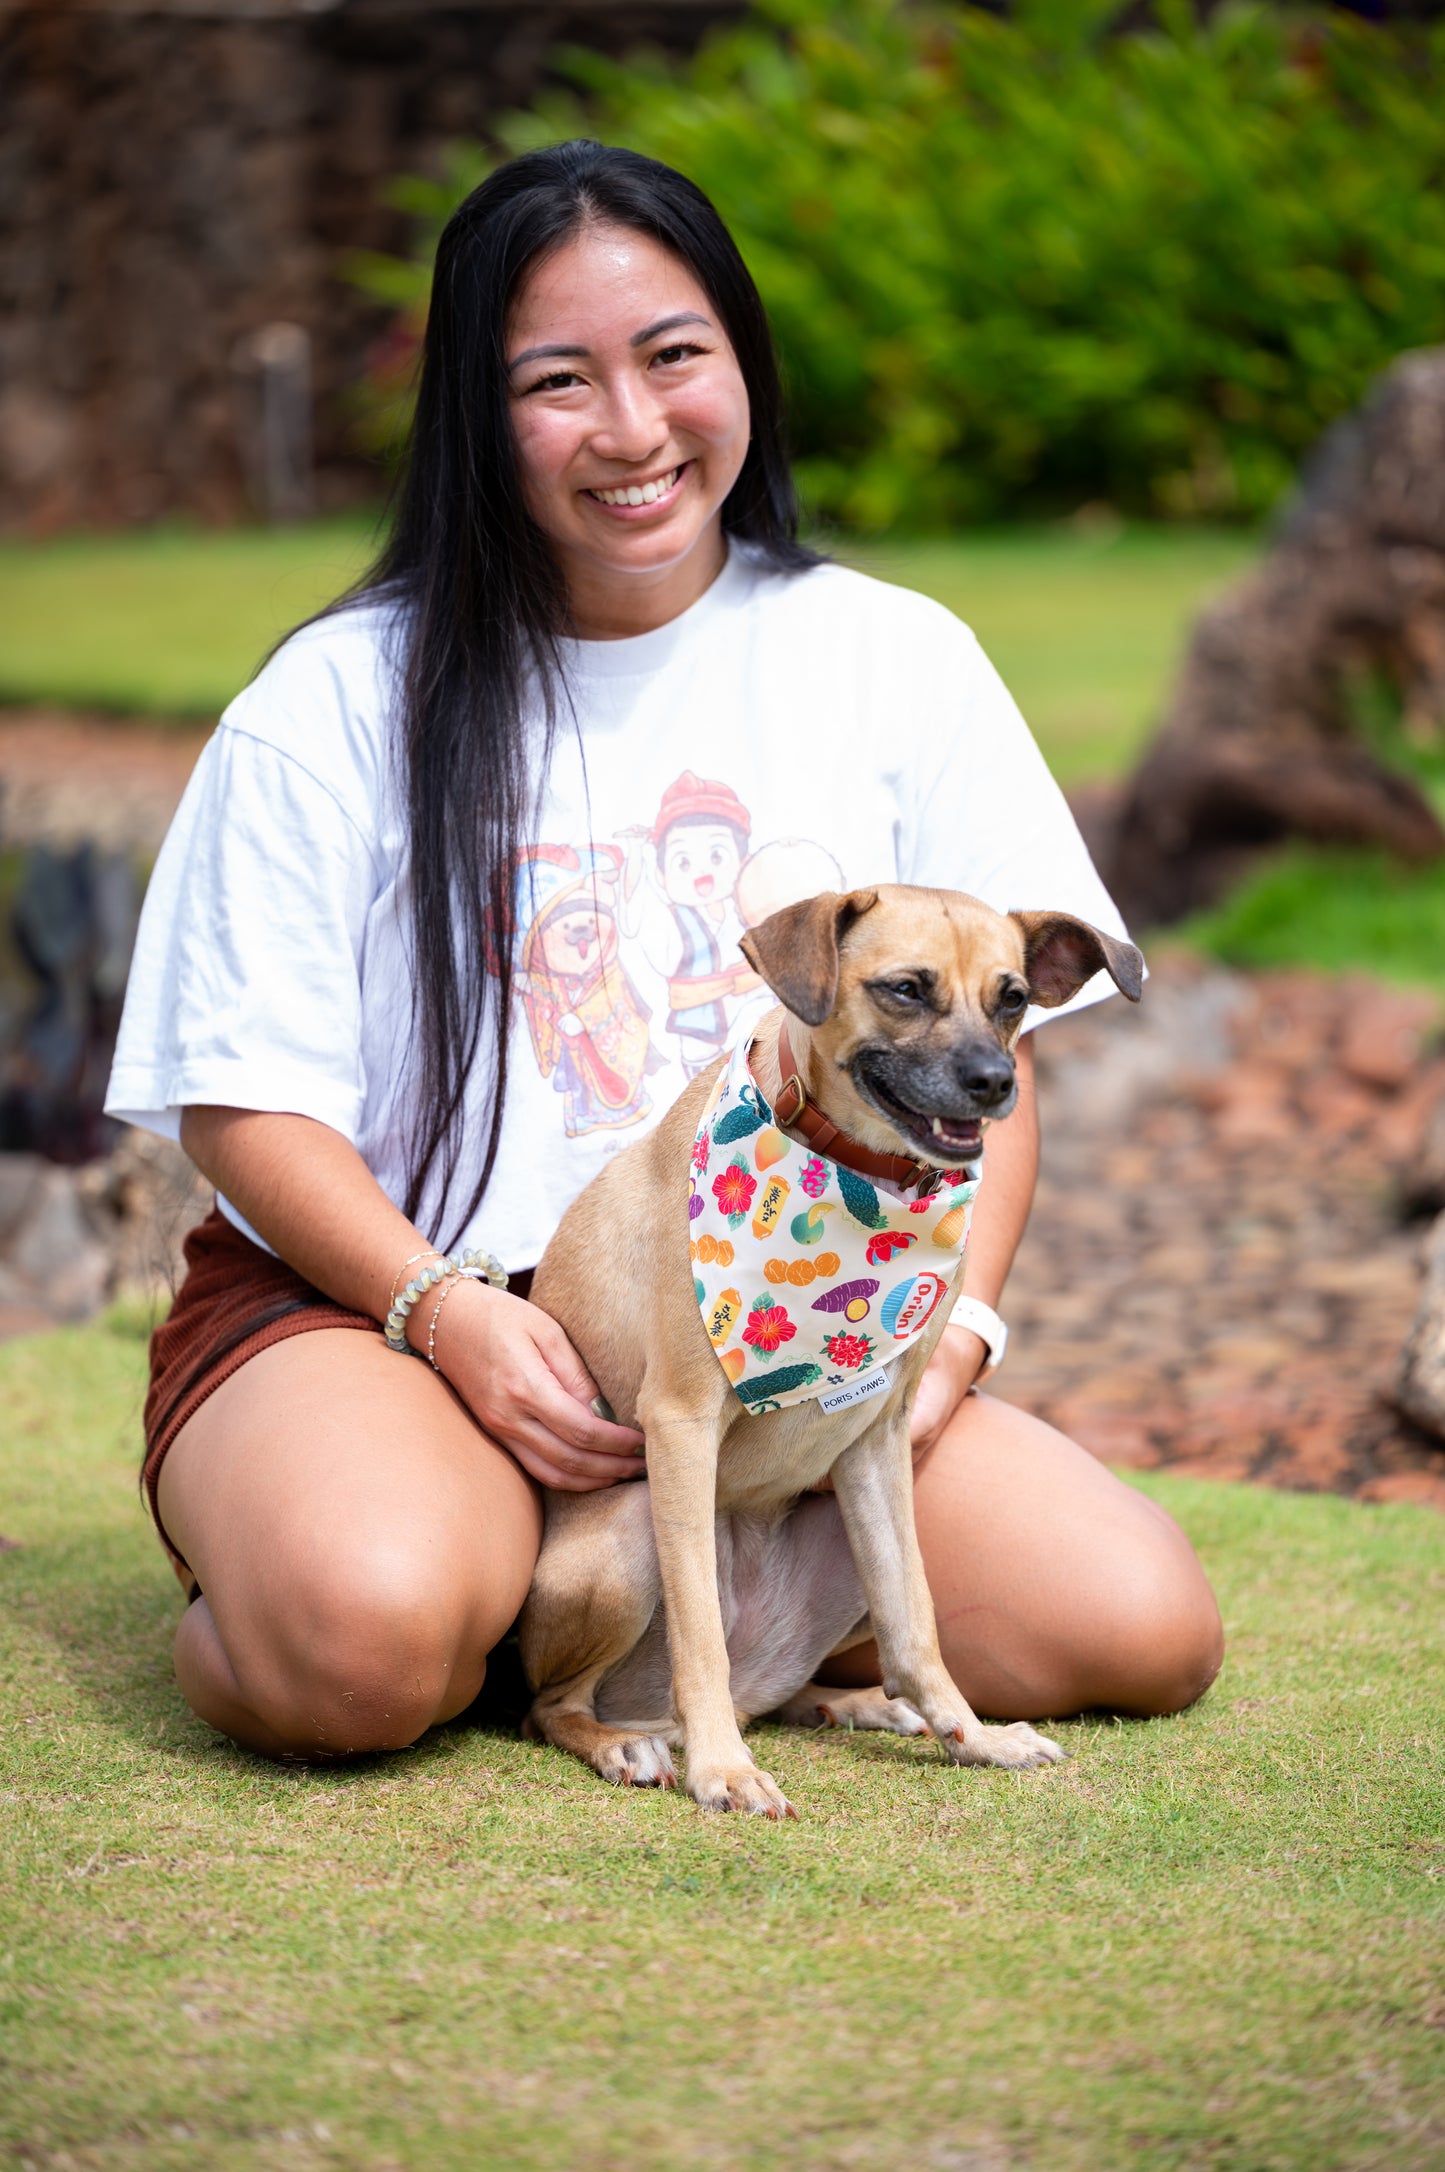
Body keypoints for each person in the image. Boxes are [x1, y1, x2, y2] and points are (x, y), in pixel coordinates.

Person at [107, 141, 1222, 1763]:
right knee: (357, 1644)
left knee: (1133, 1621)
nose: (631, 429)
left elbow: (992, 1063)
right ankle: (392, 1566)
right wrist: (442, 1313)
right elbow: (241, 1103)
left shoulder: (891, 657)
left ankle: (558, 1609)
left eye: (672, 356)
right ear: (474, 414)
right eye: (556, 381)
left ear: (742, 360)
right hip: (389, 1313)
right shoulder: (336, 701)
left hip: (790, 1333)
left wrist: (953, 1337)